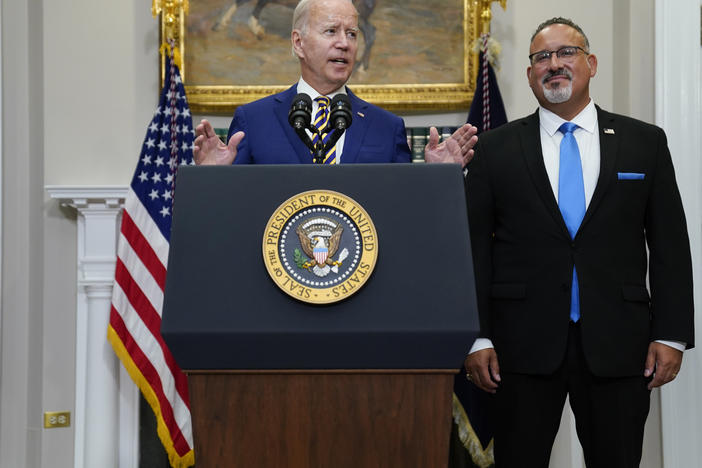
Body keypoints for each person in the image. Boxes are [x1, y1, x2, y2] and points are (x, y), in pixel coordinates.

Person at [463, 17, 694, 468]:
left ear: (590, 63)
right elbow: (474, 249)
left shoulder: (644, 143)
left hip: (619, 346)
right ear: (530, 74)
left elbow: (670, 245)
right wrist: (476, 338)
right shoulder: (495, 149)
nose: (554, 64)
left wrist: (672, 334)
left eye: (566, 52)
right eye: (541, 57)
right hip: (519, 348)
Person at [193, 0, 477, 166]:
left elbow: (403, 213)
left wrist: (439, 178)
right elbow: (231, 212)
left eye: (352, 34)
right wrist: (212, 177)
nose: (344, 44)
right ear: (299, 42)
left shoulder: (387, 127)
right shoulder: (253, 120)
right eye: (331, 31)